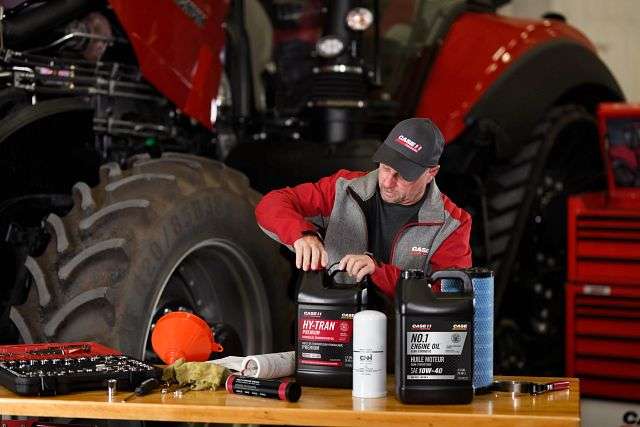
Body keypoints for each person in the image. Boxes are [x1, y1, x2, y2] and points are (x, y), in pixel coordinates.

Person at [255, 118, 472, 298]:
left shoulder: (452, 224)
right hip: (335, 330)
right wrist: (302, 235)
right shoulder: (343, 189)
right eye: (386, 168)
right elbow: (272, 203)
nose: (387, 182)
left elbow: (450, 295)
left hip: (404, 340)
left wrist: (379, 272)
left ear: (431, 172)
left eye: (403, 175)